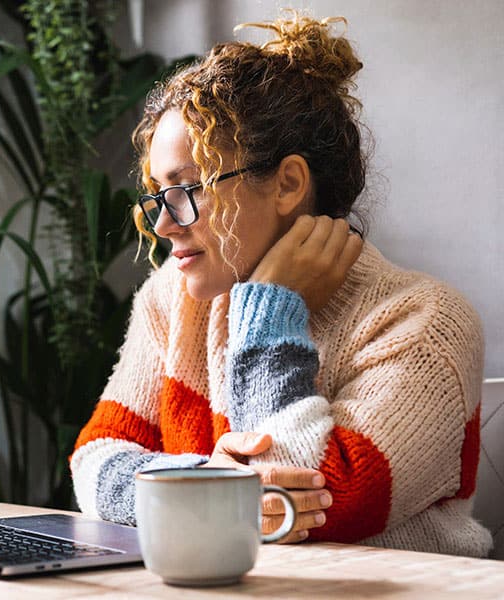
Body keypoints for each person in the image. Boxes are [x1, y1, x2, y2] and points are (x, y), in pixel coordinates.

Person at [70, 11, 493, 557]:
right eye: (157, 195)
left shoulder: (425, 321)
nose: (163, 224)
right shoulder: (171, 301)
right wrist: (207, 481)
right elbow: (93, 458)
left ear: (289, 183)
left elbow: (300, 510)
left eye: (188, 189)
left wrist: (270, 310)